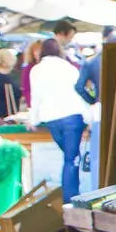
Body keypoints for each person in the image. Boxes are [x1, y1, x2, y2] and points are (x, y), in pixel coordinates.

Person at [26, 38, 90, 201]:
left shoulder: (36, 70)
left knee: (69, 158)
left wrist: (33, 119)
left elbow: (36, 97)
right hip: (73, 116)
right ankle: (71, 199)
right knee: (71, 159)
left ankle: (69, 197)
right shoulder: (69, 67)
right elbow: (80, 91)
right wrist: (89, 117)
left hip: (51, 118)